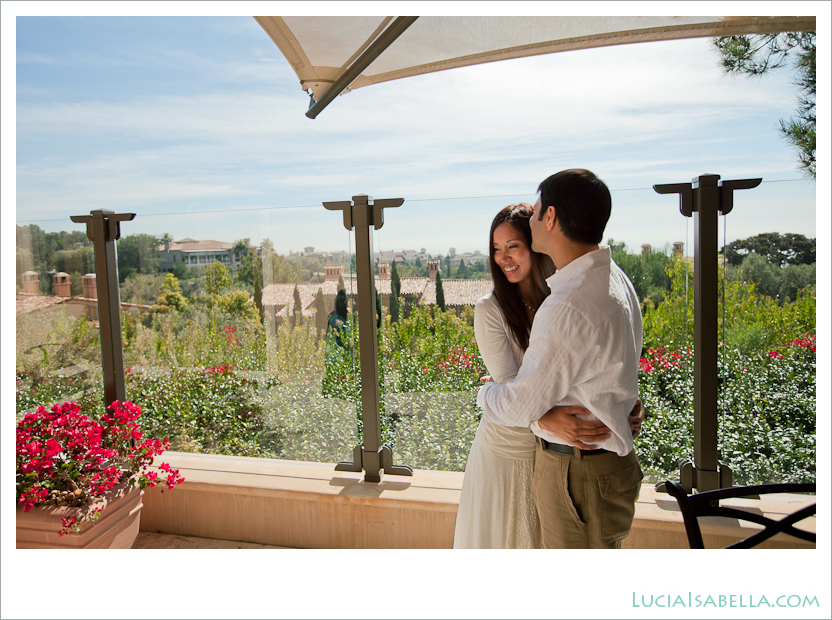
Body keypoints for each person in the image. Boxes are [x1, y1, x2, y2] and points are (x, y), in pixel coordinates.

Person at [454, 203, 642, 549]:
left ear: (534, 245)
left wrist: (621, 402)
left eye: (513, 246)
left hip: (556, 452)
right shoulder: (489, 310)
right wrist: (549, 419)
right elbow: (511, 392)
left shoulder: (564, 298)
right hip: (509, 449)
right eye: (496, 249)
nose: (504, 258)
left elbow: (596, 361)